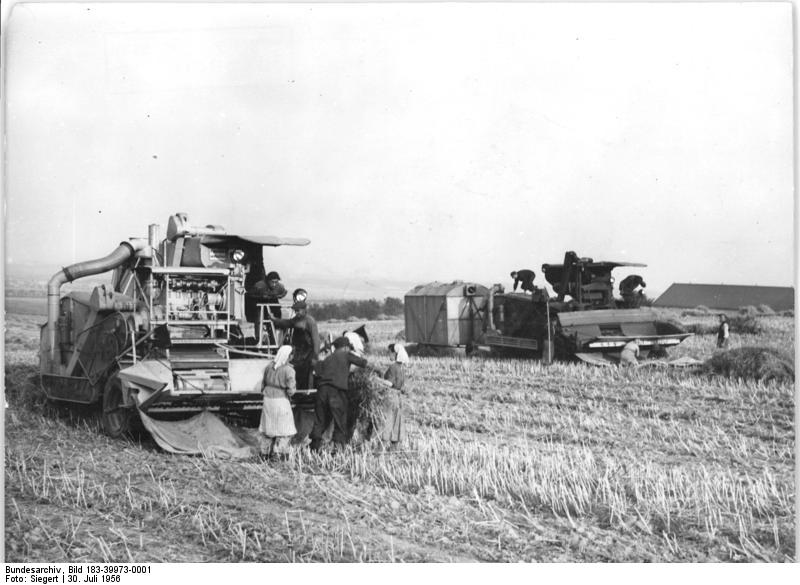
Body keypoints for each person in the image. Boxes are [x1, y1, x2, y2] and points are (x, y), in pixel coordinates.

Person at [309, 336, 368, 452]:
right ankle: (338, 450)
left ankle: (314, 448)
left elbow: (317, 370)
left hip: (321, 392)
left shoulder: (327, 358)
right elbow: (363, 363)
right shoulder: (346, 355)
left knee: (320, 421)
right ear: (346, 347)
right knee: (340, 420)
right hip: (336, 392)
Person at [269, 300, 320, 390]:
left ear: (304, 310)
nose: (297, 313)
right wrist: (274, 320)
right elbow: (286, 323)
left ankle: (307, 393)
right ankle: (298, 392)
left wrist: (315, 357)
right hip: (298, 352)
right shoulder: (296, 319)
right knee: (297, 372)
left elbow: (316, 340)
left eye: (298, 310)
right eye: (295, 311)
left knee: (307, 374)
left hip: (308, 352)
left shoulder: (310, 321)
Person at [259, 345, 296, 460]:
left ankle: (264, 454)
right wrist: (291, 392)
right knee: (284, 429)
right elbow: (291, 390)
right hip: (281, 400)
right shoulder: (289, 370)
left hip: (268, 400)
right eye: (292, 355)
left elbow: (263, 384)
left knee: (268, 428)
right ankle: (279, 454)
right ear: (288, 356)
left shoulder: (269, 367)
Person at [379, 342, 409, 451]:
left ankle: (381, 447)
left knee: (388, 420)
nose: (389, 355)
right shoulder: (401, 367)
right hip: (399, 398)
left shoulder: (392, 367)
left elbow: (390, 383)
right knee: (397, 421)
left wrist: (377, 380)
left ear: (395, 353)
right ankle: (394, 448)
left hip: (391, 396)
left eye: (390, 352)